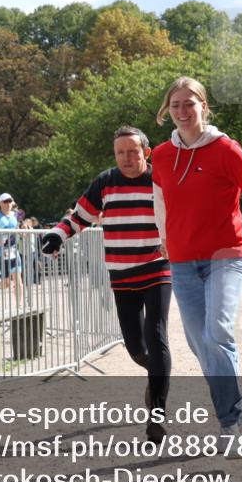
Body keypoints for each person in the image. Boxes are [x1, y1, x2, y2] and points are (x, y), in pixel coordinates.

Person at [151, 76, 242, 442]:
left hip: (227, 255)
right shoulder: (160, 155)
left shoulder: (226, 149)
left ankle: (230, 422)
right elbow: (160, 201)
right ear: (167, 111)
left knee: (217, 332)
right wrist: (164, 238)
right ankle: (229, 405)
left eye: (190, 103)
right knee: (200, 343)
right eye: (176, 105)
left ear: (204, 106)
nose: (183, 111)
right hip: (183, 260)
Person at [42, 126, 173, 442]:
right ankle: (156, 375)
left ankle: (157, 412)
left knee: (156, 337)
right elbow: (79, 217)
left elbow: (183, 214)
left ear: (146, 151)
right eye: (120, 153)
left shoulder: (160, 180)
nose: (127, 158)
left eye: (133, 152)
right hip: (122, 275)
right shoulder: (105, 182)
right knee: (136, 348)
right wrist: (56, 235)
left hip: (157, 269)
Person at [0, 193, 23, 305]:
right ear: (0, 203)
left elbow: (20, 228)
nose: (8, 204)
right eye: (5, 201)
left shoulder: (16, 215)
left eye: (10, 201)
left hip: (13, 250)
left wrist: (24, 230)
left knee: (18, 280)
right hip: (1, 253)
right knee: (6, 283)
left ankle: (19, 306)